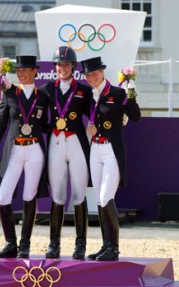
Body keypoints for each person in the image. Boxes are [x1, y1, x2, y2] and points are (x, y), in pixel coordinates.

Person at [0, 55, 49, 259]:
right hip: (14, 150)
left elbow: (47, 123)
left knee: (29, 195)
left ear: (34, 72)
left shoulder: (44, 95)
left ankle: (25, 243)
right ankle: (10, 243)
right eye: (18, 71)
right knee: (3, 197)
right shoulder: (9, 94)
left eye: (25, 70)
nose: (21, 73)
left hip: (34, 150)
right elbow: (0, 125)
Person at [80, 56, 141, 261]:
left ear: (103, 72)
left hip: (111, 150)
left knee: (107, 197)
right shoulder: (89, 94)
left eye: (94, 74)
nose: (91, 78)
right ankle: (105, 245)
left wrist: (131, 94)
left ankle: (114, 248)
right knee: (98, 199)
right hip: (95, 149)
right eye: (88, 75)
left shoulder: (117, 92)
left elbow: (135, 116)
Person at [39, 46, 92, 260]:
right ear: (55, 67)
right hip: (56, 144)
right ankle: (54, 243)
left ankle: (80, 244)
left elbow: (97, 114)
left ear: (73, 67)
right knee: (58, 196)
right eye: (60, 65)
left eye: (67, 64)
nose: (63, 68)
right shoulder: (45, 90)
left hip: (77, 143)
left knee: (79, 195)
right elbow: (38, 118)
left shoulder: (84, 90)